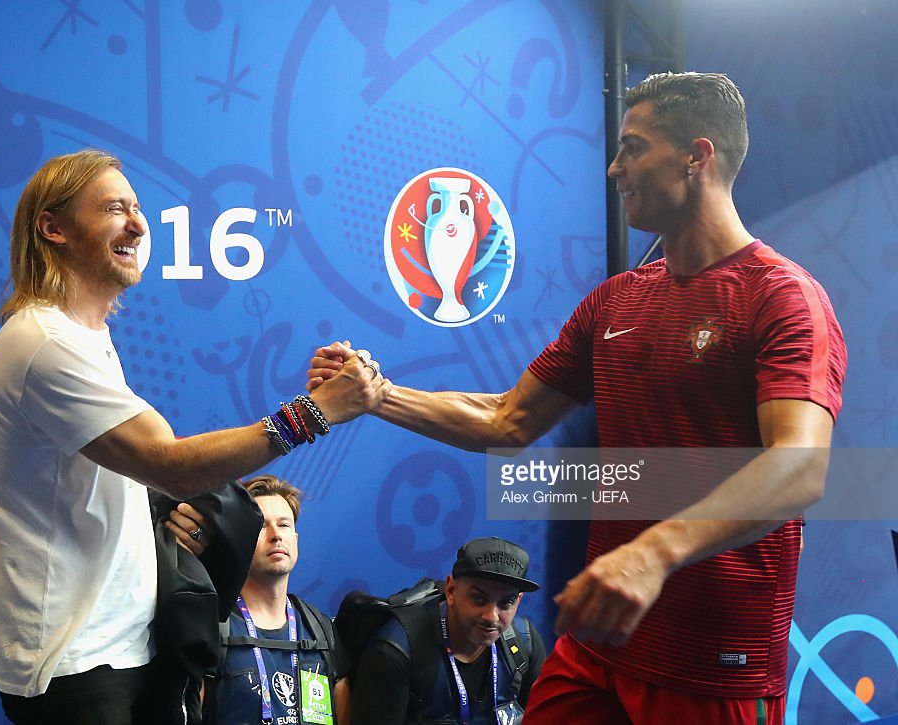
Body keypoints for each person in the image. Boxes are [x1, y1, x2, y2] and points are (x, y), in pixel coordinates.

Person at [308, 72, 847, 724]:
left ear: (696, 157)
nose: (616, 167)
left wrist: (654, 549)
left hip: (710, 665)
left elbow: (799, 465)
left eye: (634, 147)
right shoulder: (616, 300)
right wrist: (380, 395)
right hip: (601, 648)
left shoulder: (782, 296)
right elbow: (508, 419)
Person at [0, 149, 390, 724]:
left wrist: (163, 510)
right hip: (76, 667)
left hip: (127, 647)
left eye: (138, 209)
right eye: (115, 209)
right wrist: (312, 412)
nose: (139, 225)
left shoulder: (85, 337)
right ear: (53, 227)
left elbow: (134, 473)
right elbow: (171, 462)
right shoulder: (45, 342)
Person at [171, 475, 350, 725]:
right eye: (262, 526)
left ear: (295, 541)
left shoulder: (322, 630)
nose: (276, 535)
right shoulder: (212, 626)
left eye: (284, 525)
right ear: (239, 540)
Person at [347, 537, 545, 725]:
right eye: (479, 599)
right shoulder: (395, 651)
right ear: (451, 591)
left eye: (505, 603)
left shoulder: (525, 643)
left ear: (518, 600)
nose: (491, 616)